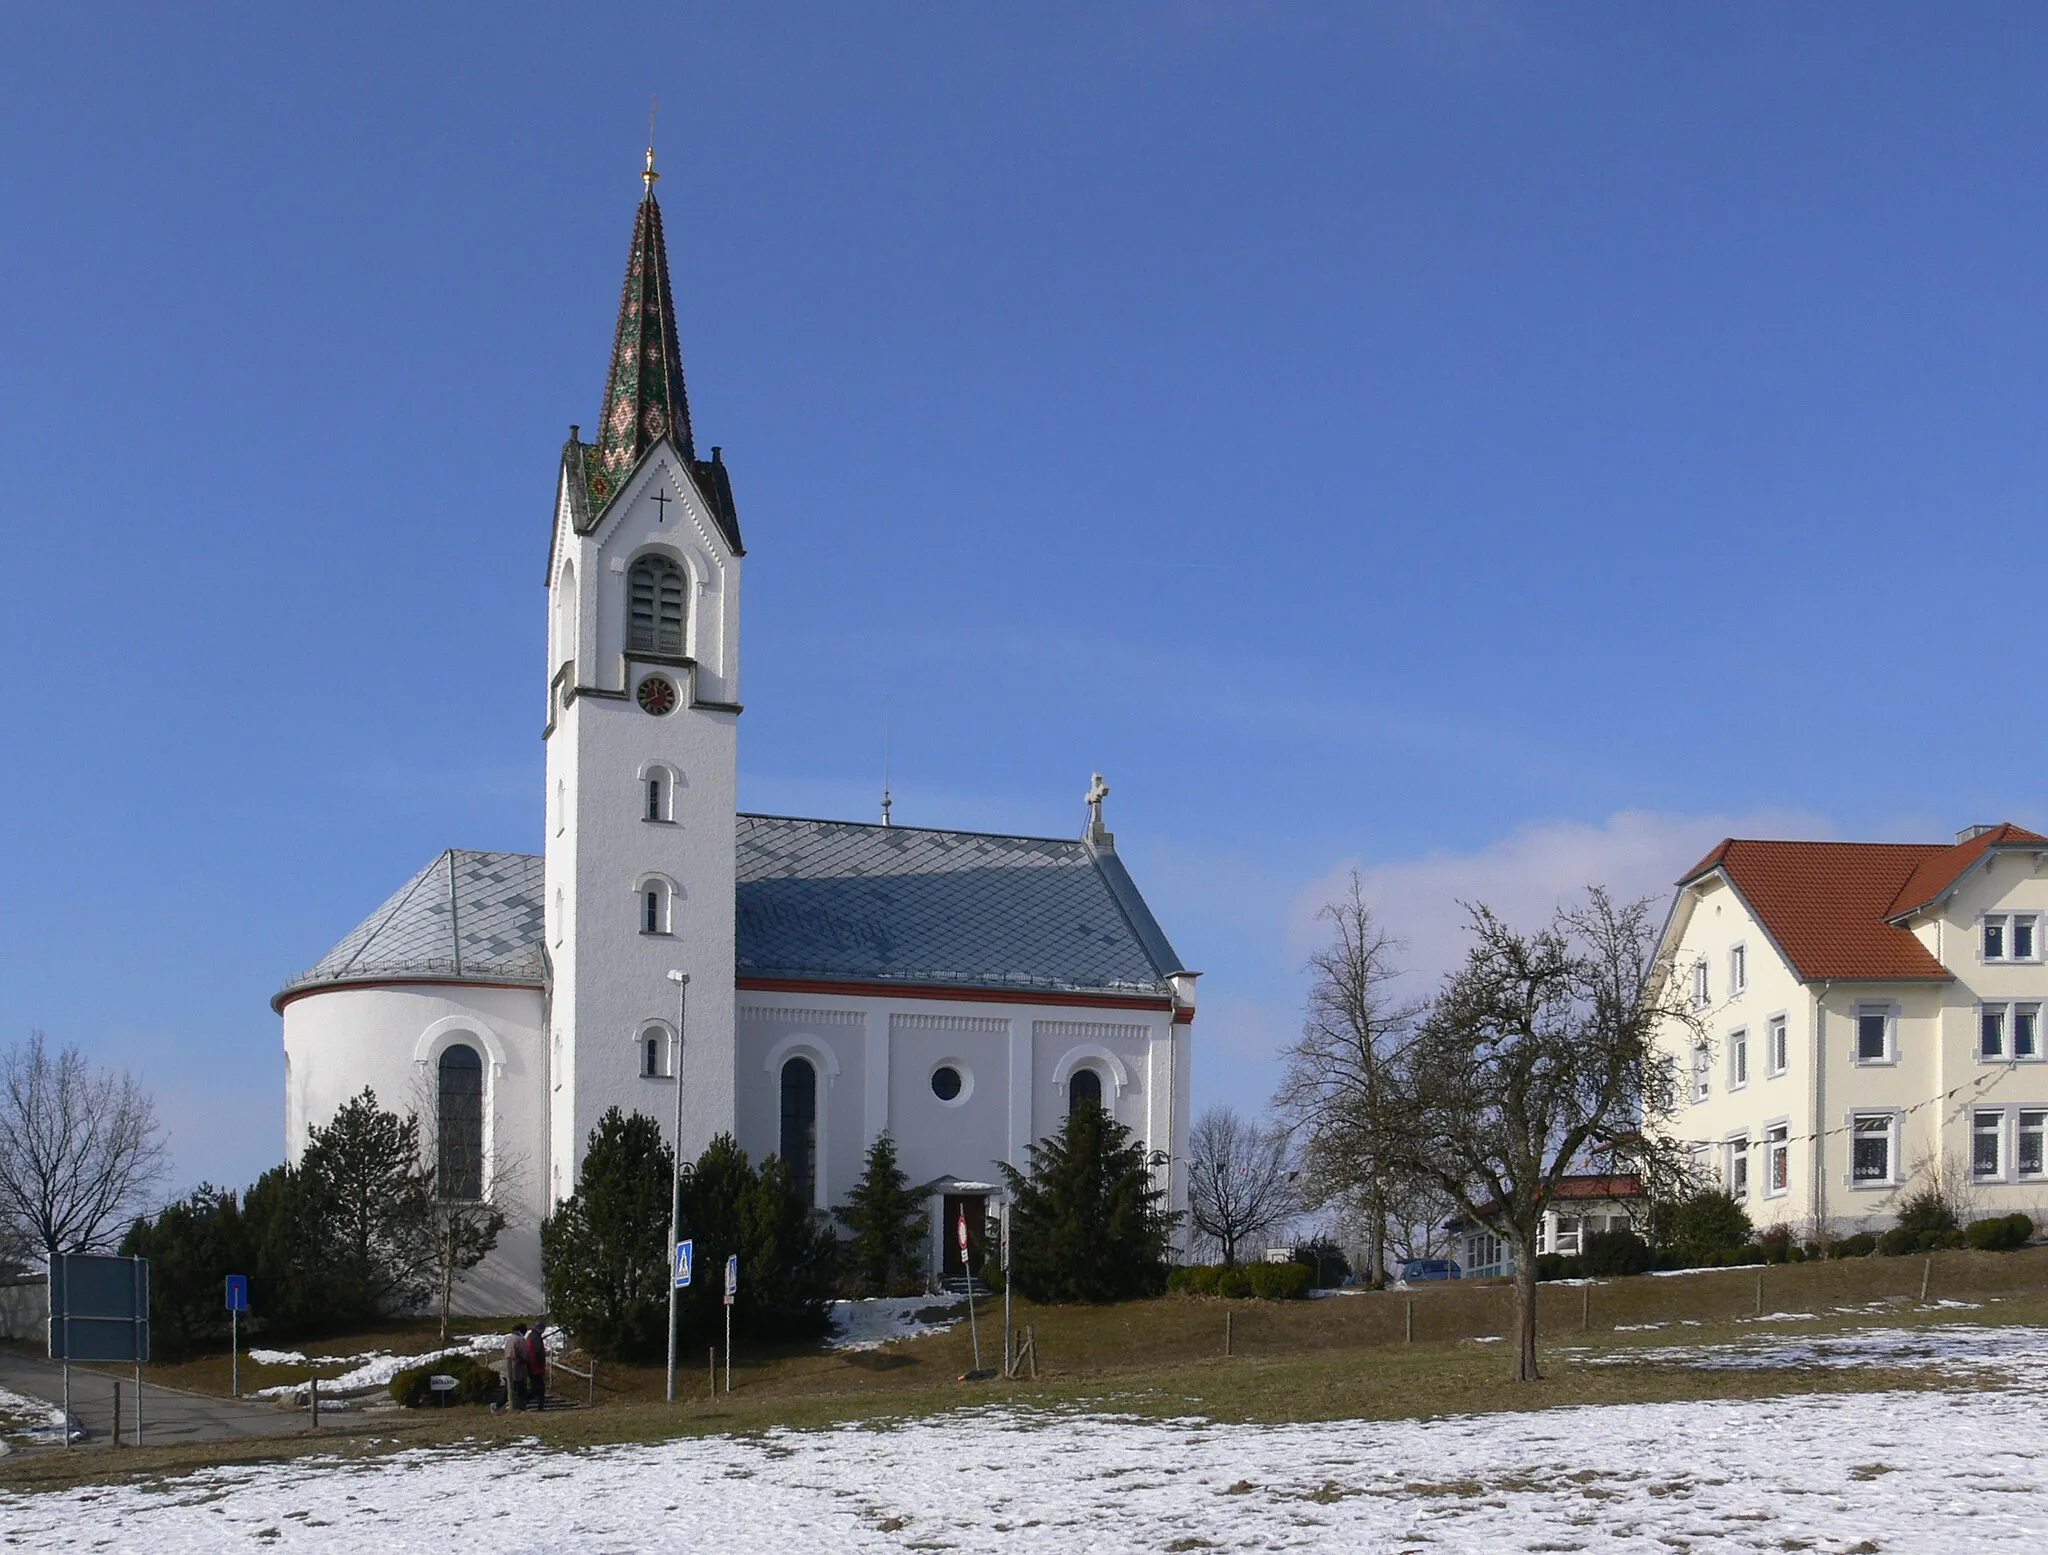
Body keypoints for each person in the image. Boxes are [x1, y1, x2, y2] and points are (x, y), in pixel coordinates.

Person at [502, 1321, 530, 1411]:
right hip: (518, 1369)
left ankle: (499, 1404)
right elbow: (525, 1354)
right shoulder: (520, 1340)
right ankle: (520, 1406)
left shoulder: (510, 1339)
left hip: (509, 1367)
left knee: (509, 1389)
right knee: (520, 1389)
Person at [523, 1321, 548, 1411]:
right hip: (536, 1367)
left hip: (532, 1366)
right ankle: (525, 1401)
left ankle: (539, 1405)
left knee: (538, 1387)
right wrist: (542, 1366)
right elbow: (538, 1352)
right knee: (538, 1388)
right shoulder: (536, 1337)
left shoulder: (531, 1336)